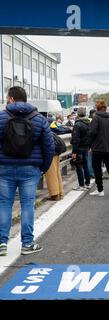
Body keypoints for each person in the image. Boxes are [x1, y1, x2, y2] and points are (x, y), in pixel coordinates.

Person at [0, 87, 54, 256]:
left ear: (11, 99)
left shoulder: (1, 117)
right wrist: (43, 168)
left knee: (4, 203)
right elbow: (49, 146)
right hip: (31, 169)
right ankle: (27, 243)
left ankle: (2, 243)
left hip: (4, 167)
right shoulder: (39, 118)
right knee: (27, 205)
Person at [70, 107, 91, 191]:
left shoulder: (78, 124)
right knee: (85, 165)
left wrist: (74, 151)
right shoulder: (88, 123)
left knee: (79, 166)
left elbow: (75, 139)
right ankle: (87, 183)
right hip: (86, 147)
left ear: (78, 114)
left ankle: (81, 185)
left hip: (79, 148)